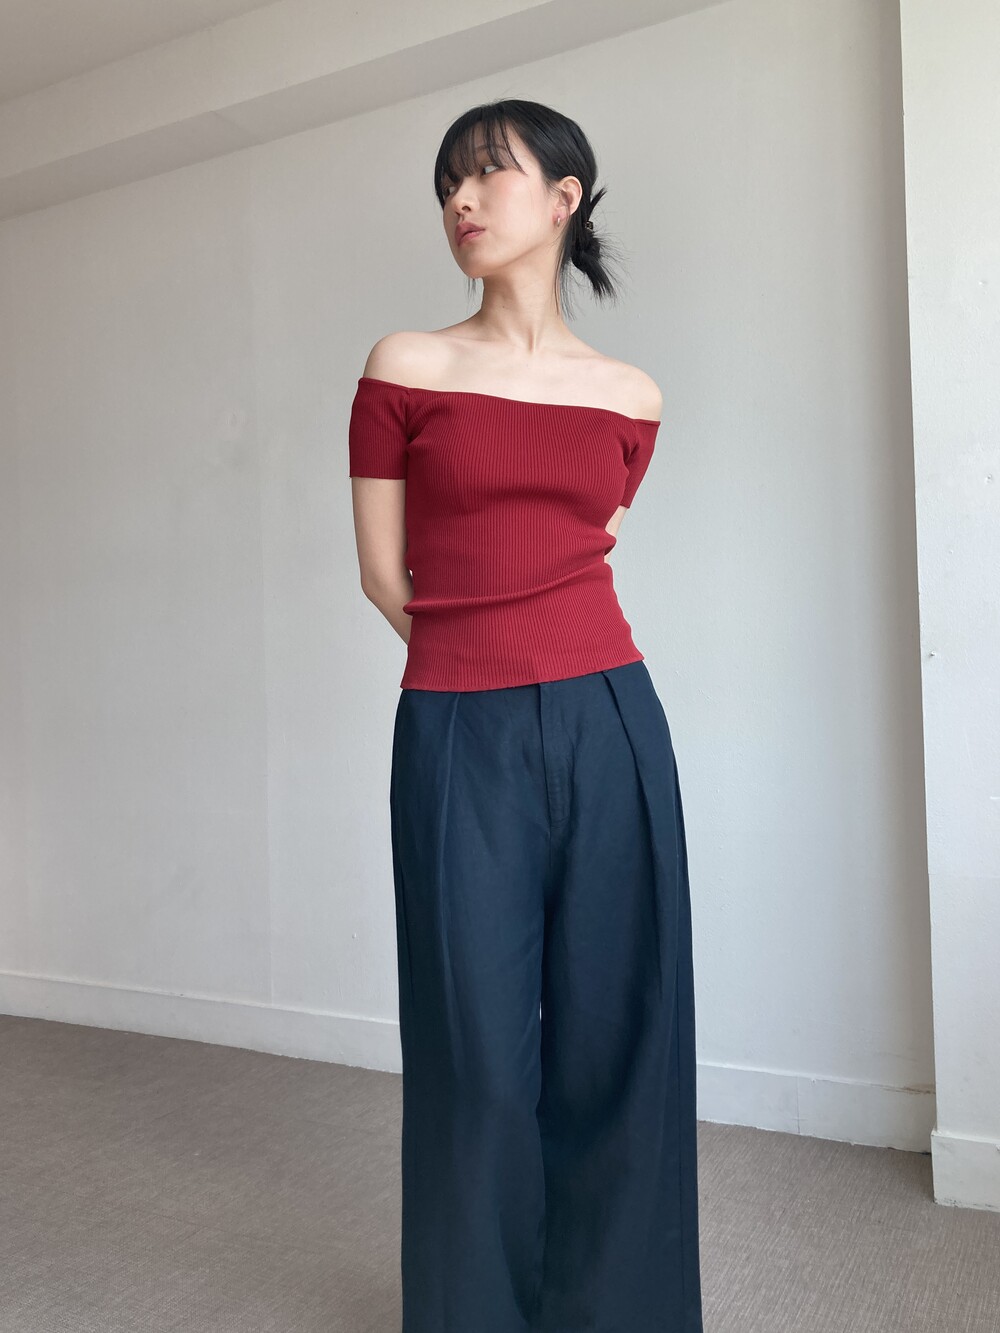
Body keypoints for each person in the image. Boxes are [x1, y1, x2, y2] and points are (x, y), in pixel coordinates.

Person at [348, 97, 704, 1333]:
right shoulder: (405, 365)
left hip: (612, 721)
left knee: (621, 1031)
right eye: (447, 181)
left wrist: (548, 667)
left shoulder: (630, 394)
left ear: (563, 198)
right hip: (459, 727)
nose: (460, 198)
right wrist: (481, 664)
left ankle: (614, 1310)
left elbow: (585, 551)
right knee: (476, 1053)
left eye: (486, 173)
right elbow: (383, 574)